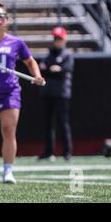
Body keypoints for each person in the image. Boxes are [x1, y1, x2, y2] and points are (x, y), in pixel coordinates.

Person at [0, 3, 45, 184]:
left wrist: (36, 75)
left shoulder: (16, 42)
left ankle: (8, 170)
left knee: (8, 130)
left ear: (7, 20)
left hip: (10, 92)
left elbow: (30, 61)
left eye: (1, 16)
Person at [38, 26, 74, 161]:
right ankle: (48, 152)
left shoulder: (67, 54)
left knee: (63, 122)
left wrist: (56, 70)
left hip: (62, 93)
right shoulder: (49, 54)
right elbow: (44, 69)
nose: (57, 41)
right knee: (48, 123)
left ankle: (67, 152)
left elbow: (66, 69)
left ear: (64, 39)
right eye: (55, 38)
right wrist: (52, 70)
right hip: (48, 92)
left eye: (59, 38)